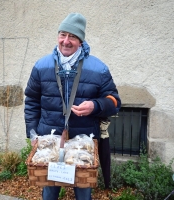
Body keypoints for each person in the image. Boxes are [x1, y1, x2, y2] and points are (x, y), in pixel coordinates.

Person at [24, 13, 121, 200]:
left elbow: (115, 102)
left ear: (81, 40)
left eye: (73, 36)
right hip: (50, 142)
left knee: (83, 194)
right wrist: (32, 131)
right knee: (49, 193)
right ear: (58, 36)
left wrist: (95, 105)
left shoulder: (98, 68)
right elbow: (31, 100)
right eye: (62, 34)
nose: (66, 41)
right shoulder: (41, 66)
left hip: (82, 145)